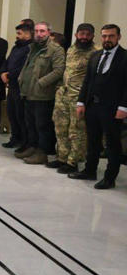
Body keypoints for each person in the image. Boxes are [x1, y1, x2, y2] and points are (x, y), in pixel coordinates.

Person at [69, 24, 127, 189]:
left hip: (113, 108)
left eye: (111, 36)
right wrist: (81, 102)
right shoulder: (95, 56)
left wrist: (124, 107)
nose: (107, 39)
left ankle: (110, 177)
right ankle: (90, 170)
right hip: (92, 106)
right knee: (93, 141)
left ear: (118, 37)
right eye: (104, 36)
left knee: (112, 144)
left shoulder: (124, 57)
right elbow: (87, 81)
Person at [51, 23, 98, 174]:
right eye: (81, 34)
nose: (84, 37)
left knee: (77, 130)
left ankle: (73, 162)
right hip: (63, 94)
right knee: (60, 127)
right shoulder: (71, 49)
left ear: (92, 36)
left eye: (87, 34)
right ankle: (62, 158)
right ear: (76, 35)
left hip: (79, 97)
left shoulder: (96, 53)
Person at [16, 22, 65, 165]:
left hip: (43, 94)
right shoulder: (32, 47)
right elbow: (28, 66)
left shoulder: (56, 50)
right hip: (28, 92)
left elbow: (59, 70)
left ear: (49, 33)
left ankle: (42, 153)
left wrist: (42, 82)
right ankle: (32, 147)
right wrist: (21, 77)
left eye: (42, 31)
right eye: (37, 31)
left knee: (42, 126)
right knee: (30, 124)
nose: (39, 34)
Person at [1, 23, 33, 151]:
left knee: (21, 115)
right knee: (12, 113)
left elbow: (25, 67)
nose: (17, 36)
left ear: (27, 34)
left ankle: (24, 142)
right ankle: (15, 138)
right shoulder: (16, 47)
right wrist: (3, 72)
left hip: (22, 86)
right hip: (12, 86)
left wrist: (9, 75)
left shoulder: (30, 48)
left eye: (19, 33)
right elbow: (7, 61)